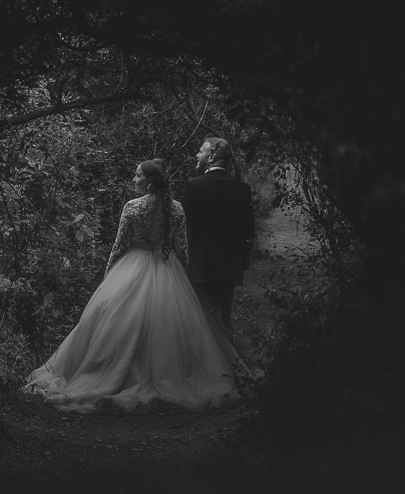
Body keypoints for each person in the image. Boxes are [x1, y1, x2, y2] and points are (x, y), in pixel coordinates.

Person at [23, 158, 243, 412]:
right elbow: (182, 249)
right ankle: (169, 375)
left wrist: (108, 279)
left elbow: (119, 246)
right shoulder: (177, 208)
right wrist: (185, 279)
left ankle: (118, 373)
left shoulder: (133, 207)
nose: (133, 180)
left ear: (149, 182)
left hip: (131, 266)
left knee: (119, 324)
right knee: (166, 326)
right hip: (167, 266)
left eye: (137, 175)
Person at [183, 136, 256, 330]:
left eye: (201, 150)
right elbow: (248, 230)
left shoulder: (194, 186)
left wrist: (181, 261)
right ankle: (227, 359)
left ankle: (211, 359)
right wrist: (243, 263)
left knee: (203, 323)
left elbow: (185, 228)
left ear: (212, 156)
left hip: (200, 266)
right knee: (222, 319)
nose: (197, 155)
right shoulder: (242, 189)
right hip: (229, 266)